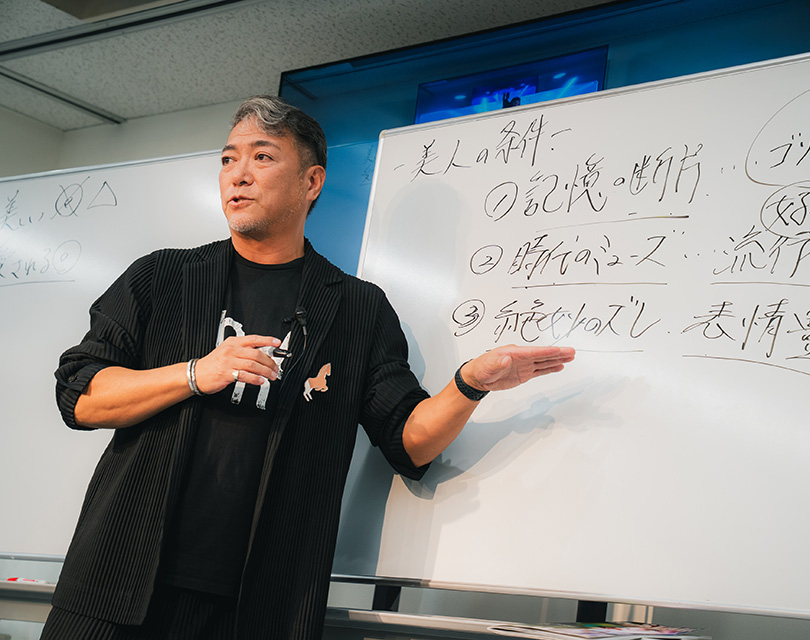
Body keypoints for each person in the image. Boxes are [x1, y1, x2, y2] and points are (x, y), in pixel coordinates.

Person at [43, 95, 575, 639]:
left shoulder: (358, 309)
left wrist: (470, 384)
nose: (238, 175)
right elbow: (80, 394)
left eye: (262, 157)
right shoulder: (163, 277)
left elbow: (409, 441)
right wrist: (196, 374)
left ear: (311, 182)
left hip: (261, 608)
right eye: (228, 159)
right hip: (115, 586)